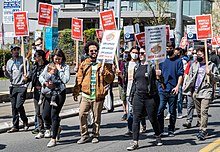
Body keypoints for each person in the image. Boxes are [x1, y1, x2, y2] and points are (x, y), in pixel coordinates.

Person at [72, 41, 115, 144]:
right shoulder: (84, 63)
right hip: (86, 94)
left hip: (98, 95)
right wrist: (76, 91)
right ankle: (84, 135)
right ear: (88, 51)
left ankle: (95, 134)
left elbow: (110, 79)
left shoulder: (104, 63)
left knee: (96, 117)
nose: (94, 52)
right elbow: (79, 78)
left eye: (96, 50)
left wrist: (104, 72)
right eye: (91, 51)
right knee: (82, 114)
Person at [126, 48, 162, 151]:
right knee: (136, 119)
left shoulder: (152, 66)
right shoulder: (137, 66)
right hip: (138, 96)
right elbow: (134, 82)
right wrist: (131, 95)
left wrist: (159, 74)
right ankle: (135, 142)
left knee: (152, 118)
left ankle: (158, 135)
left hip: (150, 97)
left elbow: (159, 81)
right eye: (139, 53)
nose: (140, 55)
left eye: (142, 53)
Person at [183, 47, 219, 140]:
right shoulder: (194, 65)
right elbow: (190, 78)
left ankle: (203, 130)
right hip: (196, 92)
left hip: (206, 91)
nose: (198, 55)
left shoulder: (211, 65)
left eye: (200, 53)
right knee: (199, 113)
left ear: (205, 55)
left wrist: (210, 74)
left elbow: (217, 78)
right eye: (197, 53)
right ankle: (201, 125)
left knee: (204, 111)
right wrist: (188, 89)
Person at [39, 49, 70, 147]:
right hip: (48, 92)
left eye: (59, 59)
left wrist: (59, 70)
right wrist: (45, 82)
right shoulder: (48, 66)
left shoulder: (65, 67)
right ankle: (57, 127)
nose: (57, 61)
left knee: (54, 115)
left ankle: (53, 138)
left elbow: (66, 79)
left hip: (59, 93)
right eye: (55, 59)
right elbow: (41, 77)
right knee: (45, 115)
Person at [156, 42, 184, 137]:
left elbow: (180, 75)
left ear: (174, 49)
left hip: (172, 89)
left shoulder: (178, 61)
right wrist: (157, 74)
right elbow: (157, 75)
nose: (168, 50)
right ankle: (161, 128)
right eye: (167, 48)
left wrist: (177, 86)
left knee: (172, 110)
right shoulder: (161, 61)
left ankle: (171, 128)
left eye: (170, 48)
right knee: (160, 109)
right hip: (162, 89)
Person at [3, 44, 30, 133]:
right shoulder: (9, 62)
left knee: (19, 105)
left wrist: (26, 78)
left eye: (17, 49)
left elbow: (29, 72)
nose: (16, 51)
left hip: (22, 86)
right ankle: (15, 126)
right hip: (13, 86)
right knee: (14, 107)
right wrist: (5, 71)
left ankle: (25, 121)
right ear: (11, 51)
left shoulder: (24, 60)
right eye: (14, 50)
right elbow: (7, 76)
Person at [123, 46, 147, 137]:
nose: (135, 54)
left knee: (140, 111)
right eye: (133, 52)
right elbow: (125, 78)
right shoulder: (127, 64)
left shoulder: (141, 64)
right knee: (130, 111)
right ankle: (130, 129)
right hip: (129, 91)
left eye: (137, 53)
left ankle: (143, 125)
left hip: (139, 92)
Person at [28, 50, 49, 137]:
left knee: (44, 111)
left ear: (40, 56)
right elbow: (31, 77)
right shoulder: (35, 66)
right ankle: (41, 130)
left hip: (45, 91)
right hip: (36, 91)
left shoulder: (47, 66)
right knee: (38, 112)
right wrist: (26, 78)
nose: (34, 57)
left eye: (36, 55)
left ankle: (48, 128)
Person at [117, 47, 128, 121]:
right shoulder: (120, 62)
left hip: (128, 83)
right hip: (121, 84)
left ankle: (128, 112)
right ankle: (125, 112)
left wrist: (121, 75)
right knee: (123, 99)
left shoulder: (130, 63)